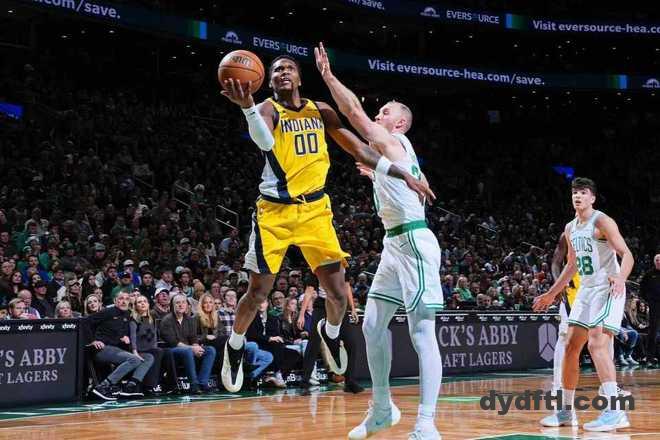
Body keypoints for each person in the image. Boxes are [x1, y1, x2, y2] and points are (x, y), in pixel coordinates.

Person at [219, 53, 434, 393]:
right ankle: (234, 345)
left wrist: (402, 173)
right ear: (268, 80)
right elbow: (264, 142)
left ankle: (330, 334)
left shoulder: (320, 110)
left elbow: (359, 149)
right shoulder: (266, 110)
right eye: (276, 70)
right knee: (258, 291)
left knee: (337, 293)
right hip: (275, 212)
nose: (283, 72)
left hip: (316, 210)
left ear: (299, 78)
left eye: (289, 68)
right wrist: (247, 108)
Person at [314, 43, 443, 439]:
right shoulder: (394, 156)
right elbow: (411, 179)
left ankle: (426, 424)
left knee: (422, 332)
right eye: (379, 111)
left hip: (414, 242)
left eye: (385, 112)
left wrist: (328, 77)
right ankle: (383, 409)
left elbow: (352, 112)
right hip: (393, 246)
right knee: (371, 326)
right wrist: (382, 178)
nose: (377, 115)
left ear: (400, 124)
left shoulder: (395, 142)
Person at [534, 177, 634, 431]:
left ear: (592, 198)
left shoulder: (602, 221)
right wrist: (551, 294)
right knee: (570, 347)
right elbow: (572, 265)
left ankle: (615, 411)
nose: (578, 196)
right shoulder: (570, 228)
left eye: (583, 192)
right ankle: (566, 412)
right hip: (586, 290)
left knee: (597, 343)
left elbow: (627, 254)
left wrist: (621, 278)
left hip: (608, 287)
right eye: (575, 192)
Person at [86, 291, 155, 401]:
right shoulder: (108, 311)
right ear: (115, 301)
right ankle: (103, 386)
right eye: (121, 298)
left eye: (126, 299)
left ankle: (130, 387)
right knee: (134, 359)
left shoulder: (128, 314)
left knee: (148, 357)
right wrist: (92, 341)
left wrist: (125, 336)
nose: (124, 301)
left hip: (118, 349)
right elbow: (85, 322)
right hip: (103, 349)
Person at [159, 293, 216, 394]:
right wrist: (192, 348)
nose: (181, 305)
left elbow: (193, 338)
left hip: (187, 348)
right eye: (178, 303)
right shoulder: (166, 320)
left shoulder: (190, 320)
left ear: (187, 305)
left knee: (210, 350)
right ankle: (194, 385)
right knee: (187, 351)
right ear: (173, 305)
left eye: (183, 302)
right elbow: (173, 342)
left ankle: (202, 382)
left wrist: (196, 347)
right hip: (171, 350)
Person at [130, 295, 173, 395]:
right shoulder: (134, 320)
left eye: (145, 301)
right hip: (140, 350)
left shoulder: (151, 319)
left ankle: (172, 384)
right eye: (139, 302)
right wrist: (134, 352)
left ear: (148, 304)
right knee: (157, 352)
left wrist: (155, 346)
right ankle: (151, 385)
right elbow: (133, 337)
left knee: (168, 352)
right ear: (135, 306)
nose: (142, 303)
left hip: (152, 349)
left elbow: (154, 337)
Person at [640, 254, 660, 364]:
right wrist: (648, 300)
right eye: (656, 260)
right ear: (654, 261)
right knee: (653, 331)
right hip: (654, 306)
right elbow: (642, 289)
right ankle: (649, 357)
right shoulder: (649, 274)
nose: (658, 261)